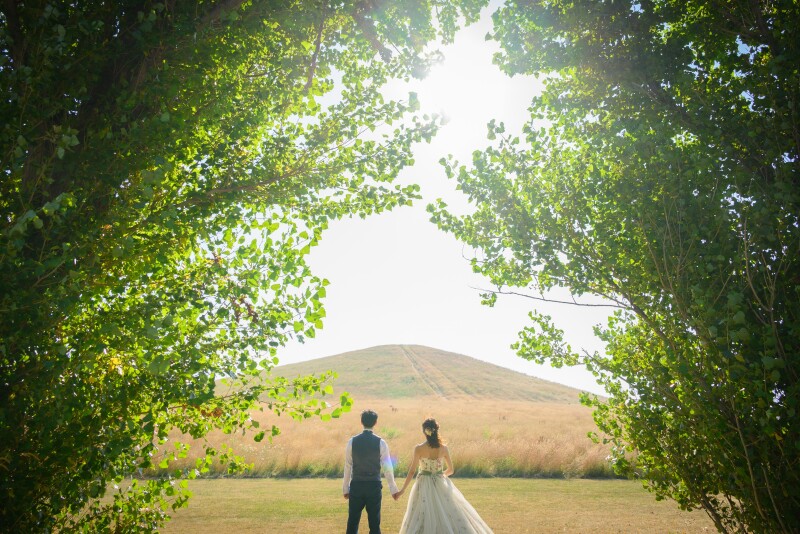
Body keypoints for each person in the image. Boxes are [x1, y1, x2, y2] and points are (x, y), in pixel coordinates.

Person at [397, 418, 493, 534]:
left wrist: (402, 490)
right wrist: (440, 475)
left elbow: (412, 471)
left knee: (423, 511)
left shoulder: (419, 449)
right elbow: (451, 470)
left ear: (424, 432)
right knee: (447, 510)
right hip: (440, 481)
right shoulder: (444, 448)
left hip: (423, 483)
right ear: (436, 430)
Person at [343, 409, 401, 534]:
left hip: (356, 485)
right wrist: (393, 489)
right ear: (375, 422)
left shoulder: (352, 442)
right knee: (374, 524)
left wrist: (345, 489)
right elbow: (387, 468)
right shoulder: (381, 442)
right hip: (373, 486)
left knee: (352, 523)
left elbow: (348, 466)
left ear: (361, 422)